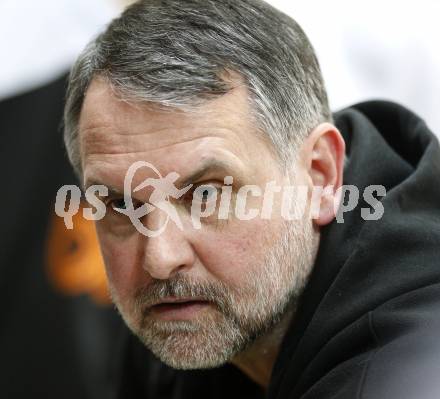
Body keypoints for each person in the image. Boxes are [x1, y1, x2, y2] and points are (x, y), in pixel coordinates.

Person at [62, 0, 440, 398]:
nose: (159, 258)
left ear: (320, 176)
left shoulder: (407, 370)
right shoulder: (184, 312)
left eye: (206, 194)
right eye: (122, 205)